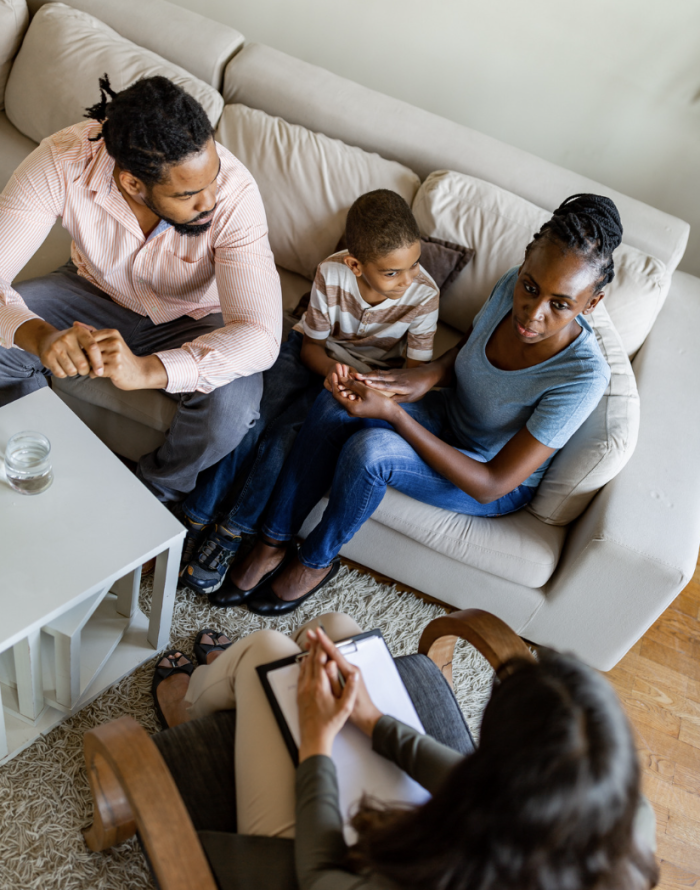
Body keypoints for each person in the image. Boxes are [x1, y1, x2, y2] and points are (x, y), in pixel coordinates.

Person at [232, 193, 619, 616]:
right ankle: (272, 541)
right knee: (335, 404)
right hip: (448, 413)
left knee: (370, 453)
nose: (531, 313)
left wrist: (393, 413)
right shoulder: (511, 284)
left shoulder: (582, 377)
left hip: (486, 471)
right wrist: (426, 375)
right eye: (531, 286)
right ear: (525, 262)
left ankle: (314, 562)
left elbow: (490, 483)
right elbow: (468, 351)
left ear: (592, 303)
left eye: (560, 305)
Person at [152, 621, 658, 890]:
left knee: (266, 649)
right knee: (339, 629)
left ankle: (191, 706)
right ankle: (242, 689)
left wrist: (316, 744)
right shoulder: (628, 819)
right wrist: (375, 722)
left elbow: (321, 877)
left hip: (321, 871)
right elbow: (489, 786)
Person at [0, 75, 282, 503]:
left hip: (195, 318)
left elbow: (261, 336)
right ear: (133, 183)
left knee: (232, 412)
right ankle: (41, 445)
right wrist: (40, 337)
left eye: (212, 180)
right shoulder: (61, 160)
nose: (209, 201)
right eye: (188, 194)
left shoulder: (235, 195)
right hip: (89, 291)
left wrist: (148, 370)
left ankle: (157, 492)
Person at [178, 189, 439, 601]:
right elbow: (311, 348)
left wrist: (357, 381)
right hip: (308, 356)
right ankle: (193, 518)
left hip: (364, 379)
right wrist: (334, 371)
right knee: (252, 422)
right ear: (355, 264)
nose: (407, 281)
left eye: (414, 265)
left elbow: (410, 376)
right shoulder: (332, 273)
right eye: (393, 273)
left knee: (283, 439)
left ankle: (229, 535)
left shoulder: (424, 295)